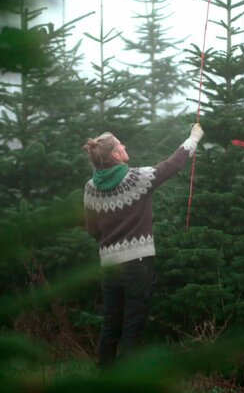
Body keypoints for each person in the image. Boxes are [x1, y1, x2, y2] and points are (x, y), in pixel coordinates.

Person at [82, 124, 205, 366]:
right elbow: (173, 164)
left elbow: (92, 230)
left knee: (110, 326)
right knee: (132, 329)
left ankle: (103, 384)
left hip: (108, 267)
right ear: (116, 155)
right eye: (120, 144)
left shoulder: (90, 188)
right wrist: (194, 138)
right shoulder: (138, 179)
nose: (124, 146)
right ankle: (127, 387)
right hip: (137, 266)